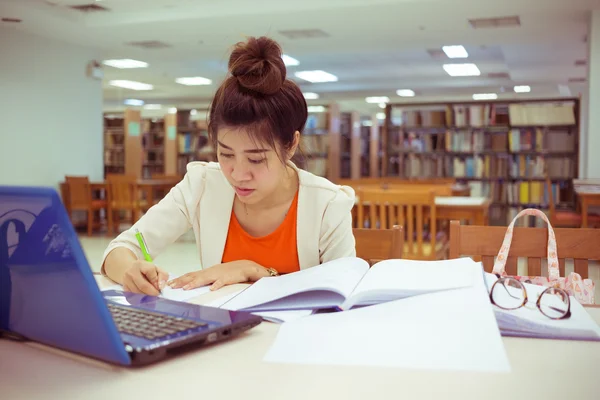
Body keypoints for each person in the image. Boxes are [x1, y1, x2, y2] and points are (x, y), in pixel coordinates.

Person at [101, 36, 356, 296]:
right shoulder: (202, 184)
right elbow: (121, 249)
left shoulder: (327, 205)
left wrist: (257, 272)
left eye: (256, 159)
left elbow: (344, 294)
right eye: (225, 154)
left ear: (291, 145)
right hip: (221, 334)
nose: (237, 174)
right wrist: (130, 269)